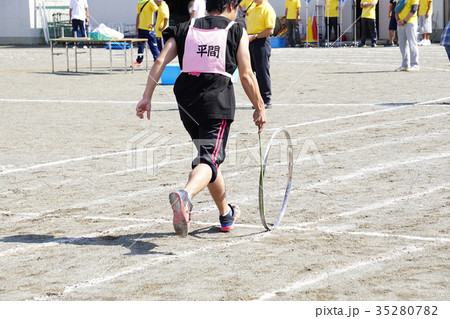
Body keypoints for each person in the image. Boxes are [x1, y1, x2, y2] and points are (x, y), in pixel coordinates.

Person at [135, 0, 266, 237]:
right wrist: (259, 106)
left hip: (186, 99)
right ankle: (185, 195)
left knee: (208, 157)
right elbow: (246, 74)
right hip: (216, 98)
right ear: (231, 6)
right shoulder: (236, 30)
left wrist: (147, 97)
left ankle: (226, 214)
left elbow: (159, 61)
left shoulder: (186, 27)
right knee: (209, 158)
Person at [247, 0, 276, 108]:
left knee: (262, 71)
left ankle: (266, 99)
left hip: (261, 41)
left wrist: (255, 36)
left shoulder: (267, 9)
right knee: (252, 70)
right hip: (251, 40)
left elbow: (270, 30)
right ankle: (258, 98)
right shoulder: (254, 7)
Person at [395, 0, 419, 71]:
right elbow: (396, 10)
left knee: (412, 44)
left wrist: (404, 21)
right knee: (402, 44)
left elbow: (414, 9)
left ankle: (414, 64)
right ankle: (404, 64)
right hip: (400, 23)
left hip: (410, 22)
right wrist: (398, 20)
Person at [134, 0, 160, 67]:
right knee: (140, 46)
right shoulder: (140, 2)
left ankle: (157, 61)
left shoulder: (151, 2)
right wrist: (136, 28)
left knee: (153, 46)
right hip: (141, 28)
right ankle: (139, 61)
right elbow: (138, 15)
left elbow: (159, 12)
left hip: (149, 29)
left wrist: (155, 24)